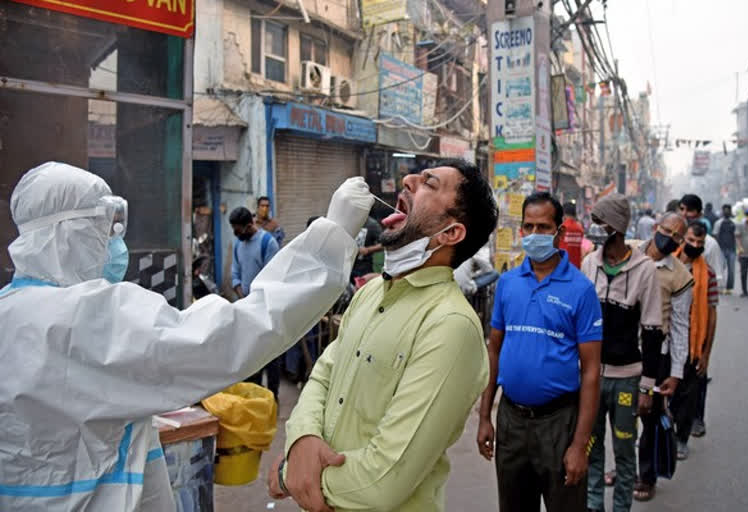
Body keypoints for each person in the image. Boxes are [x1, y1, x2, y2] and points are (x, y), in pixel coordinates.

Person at [0, 162, 373, 511]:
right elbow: (231, 334)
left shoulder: (10, 309)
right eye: (105, 229)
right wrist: (333, 237)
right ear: (70, 234)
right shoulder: (81, 318)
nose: (115, 243)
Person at [267, 159, 499, 512]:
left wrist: (294, 476)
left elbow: (383, 480)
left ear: (451, 234)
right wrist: (303, 438)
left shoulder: (451, 326)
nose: (406, 180)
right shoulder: (369, 294)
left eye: (429, 183)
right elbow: (323, 377)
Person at [477, 192, 602, 512]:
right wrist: (484, 417)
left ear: (559, 232)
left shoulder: (580, 290)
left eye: (543, 227)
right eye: (528, 226)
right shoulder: (507, 283)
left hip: (559, 422)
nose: (535, 235)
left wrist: (579, 445)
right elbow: (494, 349)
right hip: (511, 420)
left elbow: (590, 372)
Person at [580, 194, 664, 512]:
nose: (595, 228)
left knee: (625, 450)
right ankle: (593, 506)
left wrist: (647, 387)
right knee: (591, 447)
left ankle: (621, 508)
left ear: (616, 226)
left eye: (600, 222)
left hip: (627, 380)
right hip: (590, 378)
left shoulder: (645, 270)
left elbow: (654, 332)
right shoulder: (589, 264)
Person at [631, 213, 693, 502]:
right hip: (623, 350)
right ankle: (624, 467)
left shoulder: (680, 276)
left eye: (678, 237)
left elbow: (681, 326)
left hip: (658, 358)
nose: (671, 238)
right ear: (656, 228)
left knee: (651, 417)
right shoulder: (630, 252)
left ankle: (647, 475)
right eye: (667, 231)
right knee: (620, 414)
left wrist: (676, 372)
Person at [672, 221, 718, 460]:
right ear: (682, 239)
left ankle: (681, 438)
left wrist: (706, 353)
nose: (695, 246)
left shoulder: (707, 274)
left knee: (688, 395)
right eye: (691, 240)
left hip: (693, 344)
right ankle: (661, 434)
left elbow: (711, 314)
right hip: (667, 339)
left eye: (700, 243)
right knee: (664, 392)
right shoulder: (668, 265)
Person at [230, 207, 282, 400]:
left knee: (270, 354)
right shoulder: (238, 244)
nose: (236, 234)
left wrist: (257, 301)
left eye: (238, 229)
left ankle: (272, 396)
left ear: (249, 225)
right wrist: (242, 296)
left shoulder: (268, 243)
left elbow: (273, 277)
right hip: (247, 308)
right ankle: (255, 396)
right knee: (251, 354)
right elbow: (235, 273)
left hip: (267, 308)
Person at [678, 194, 725, 284]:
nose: (684, 214)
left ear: (699, 214)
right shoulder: (673, 238)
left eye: (689, 210)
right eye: (682, 209)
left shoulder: (710, 244)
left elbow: (716, 278)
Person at [713, 204, 737, 295]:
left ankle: (729, 288)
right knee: (720, 270)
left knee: (731, 270)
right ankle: (721, 287)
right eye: (725, 210)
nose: (726, 212)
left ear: (730, 211)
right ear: (723, 212)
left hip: (732, 249)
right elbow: (715, 235)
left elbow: (737, 236)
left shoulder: (734, 223)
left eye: (728, 210)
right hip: (721, 249)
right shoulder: (718, 223)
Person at [352, 215, 383, 280]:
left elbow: (384, 244)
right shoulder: (349, 221)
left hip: (363, 268)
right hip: (347, 265)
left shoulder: (372, 224)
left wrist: (368, 250)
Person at [559, 201, 586, 268]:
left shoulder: (561, 228)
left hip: (563, 266)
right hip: (576, 267)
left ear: (564, 214)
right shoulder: (580, 229)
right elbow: (584, 249)